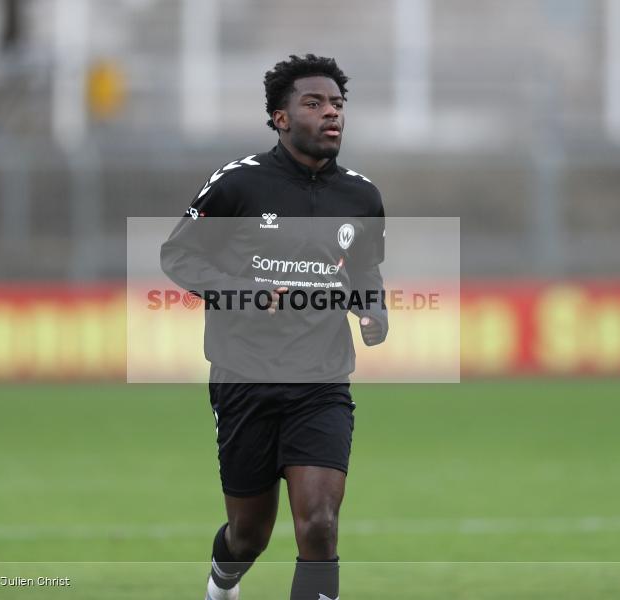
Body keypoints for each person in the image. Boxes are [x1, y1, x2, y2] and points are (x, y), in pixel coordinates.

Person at [160, 54, 387, 600]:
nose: (330, 113)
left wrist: (373, 308)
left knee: (319, 525)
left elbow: (363, 269)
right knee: (248, 535)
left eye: (336, 104)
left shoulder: (362, 197)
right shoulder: (238, 185)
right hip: (245, 378)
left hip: (322, 381)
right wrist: (244, 292)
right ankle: (222, 585)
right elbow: (178, 257)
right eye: (314, 103)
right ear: (280, 118)